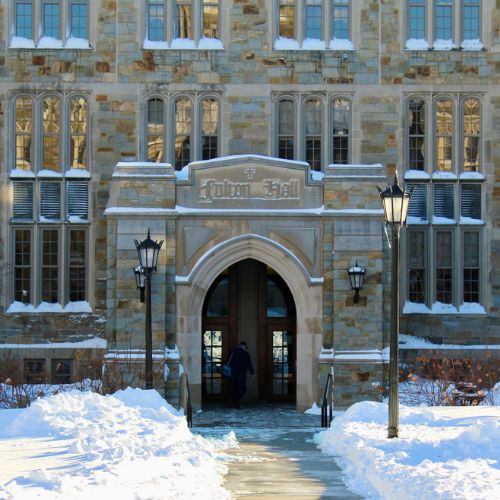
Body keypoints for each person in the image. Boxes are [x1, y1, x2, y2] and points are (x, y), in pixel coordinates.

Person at [227, 341, 255, 408]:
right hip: (241, 373)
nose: (246, 348)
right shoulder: (246, 354)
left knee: (235, 387)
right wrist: (252, 373)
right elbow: (249, 364)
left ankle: (236, 402)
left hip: (232, 373)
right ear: (243, 346)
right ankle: (237, 402)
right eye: (246, 347)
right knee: (242, 388)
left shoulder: (233, 352)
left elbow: (228, 362)